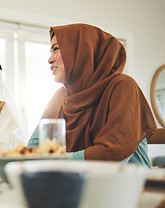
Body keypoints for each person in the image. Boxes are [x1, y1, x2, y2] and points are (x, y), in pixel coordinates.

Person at [27, 23, 157, 168]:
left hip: (130, 187)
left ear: (83, 51)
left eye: (56, 49)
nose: (49, 60)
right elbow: (33, 146)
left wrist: (57, 161)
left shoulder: (122, 85)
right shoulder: (61, 95)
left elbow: (114, 153)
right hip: (76, 183)